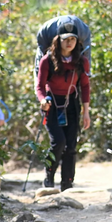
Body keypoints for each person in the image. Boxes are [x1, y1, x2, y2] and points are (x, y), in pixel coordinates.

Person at [35, 30, 91, 190]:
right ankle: (49, 176)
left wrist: (86, 112)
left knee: (71, 146)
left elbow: (85, 86)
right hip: (51, 104)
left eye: (73, 39)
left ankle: (67, 183)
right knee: (58, 142)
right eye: (66, 39)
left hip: (72, 104)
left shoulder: (81, 62)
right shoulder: (47, 60)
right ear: (58, 40)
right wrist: (42, 100)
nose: (70, 42)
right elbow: (40, 85)